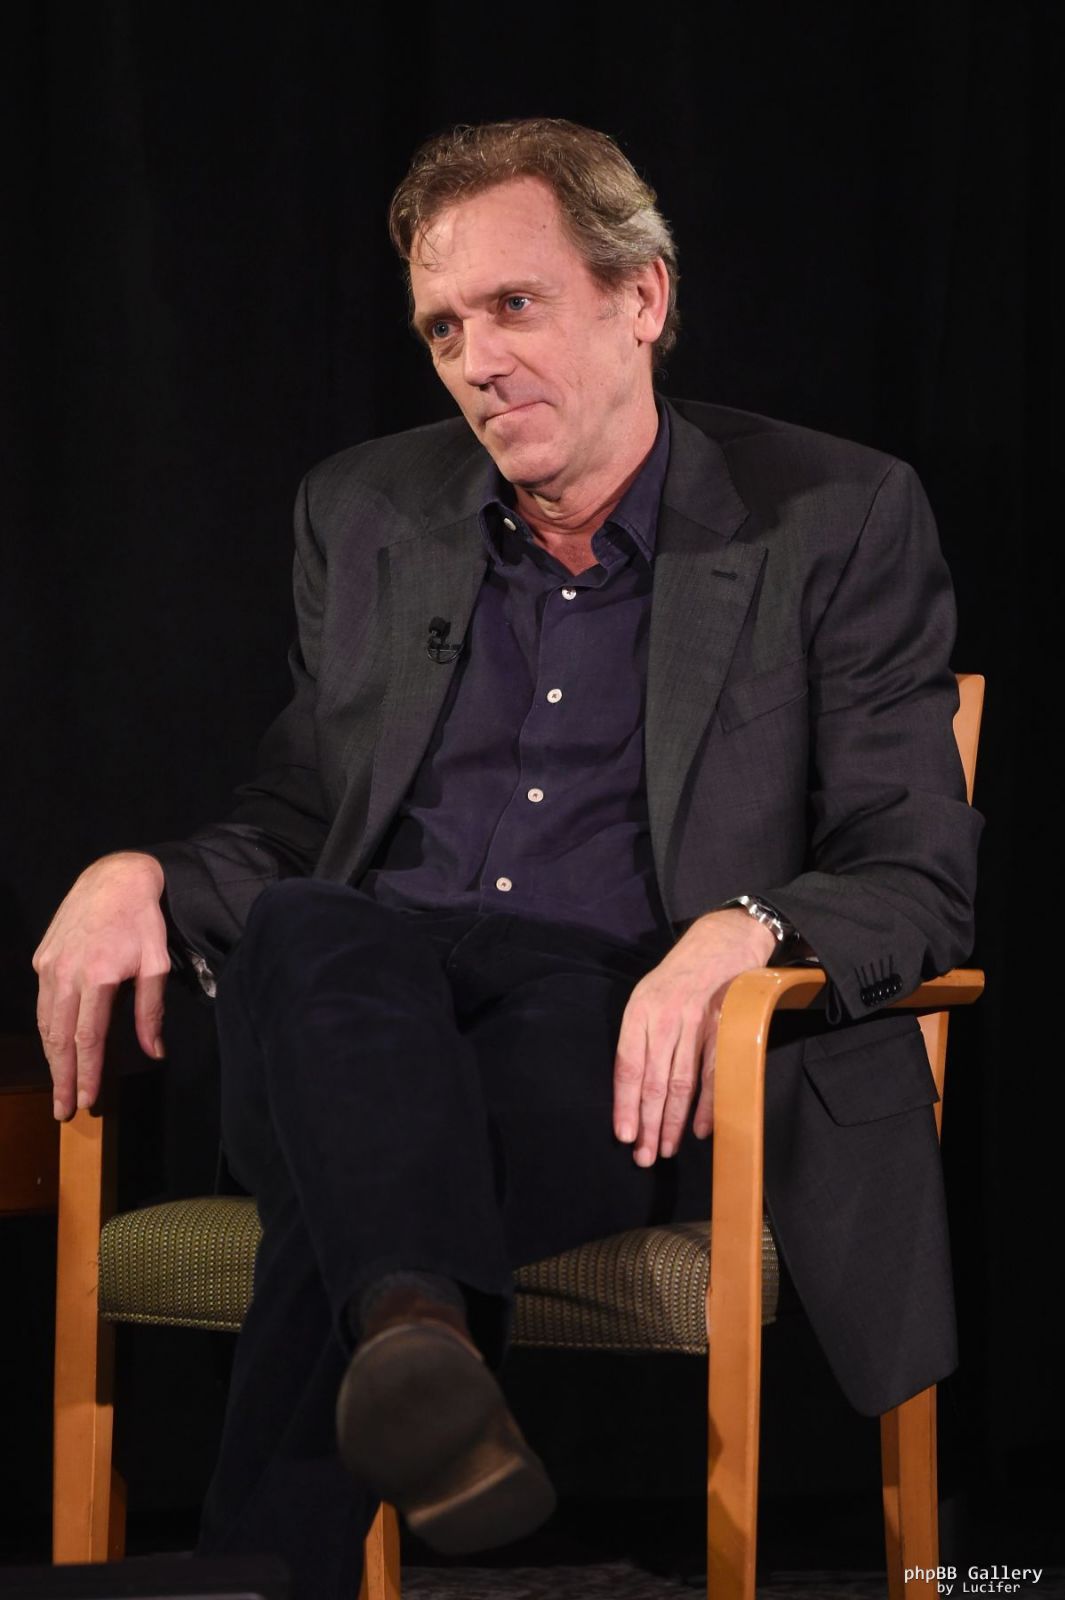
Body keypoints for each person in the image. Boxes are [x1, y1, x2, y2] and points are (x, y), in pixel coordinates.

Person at [34, 118, 982, 1597]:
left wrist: (742, 927)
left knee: (364, 1161)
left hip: (613, 1039)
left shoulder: (834, 514)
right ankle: (417, 1349)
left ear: (641, 297)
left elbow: (914, 864)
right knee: (310, 926)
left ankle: (345, 1431)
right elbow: (295, 822)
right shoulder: (363, 509)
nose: (476, 360)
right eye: (442, 327)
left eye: (514, 305)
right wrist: (134, 875)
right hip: (351, 1000)